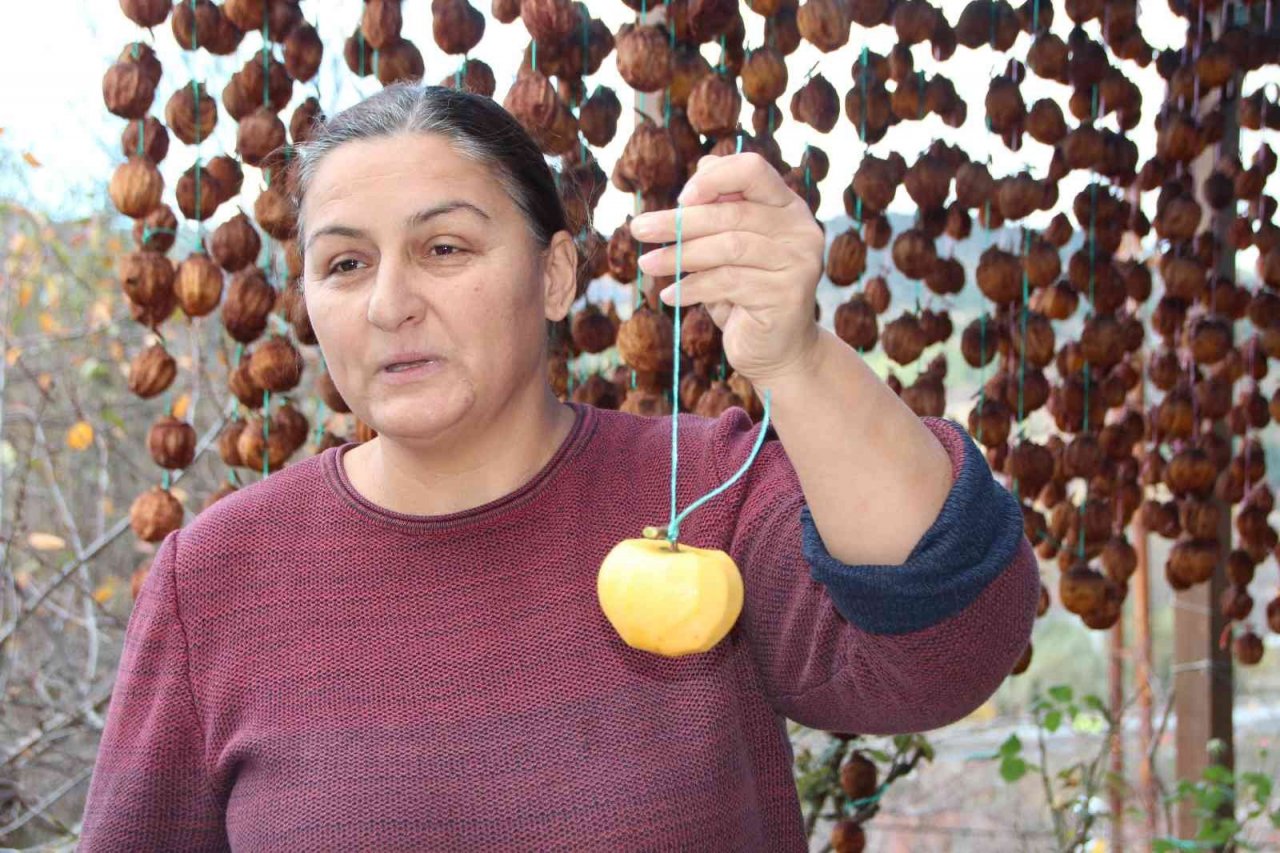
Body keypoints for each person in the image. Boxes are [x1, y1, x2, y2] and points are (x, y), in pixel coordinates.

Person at [78, 82, 1039, 851]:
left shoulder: (702, 494)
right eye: (344, 265)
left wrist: (796, 357)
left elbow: (944, 651)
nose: (390, 304)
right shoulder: (216, 578)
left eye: (443, 247)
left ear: (555, 274)